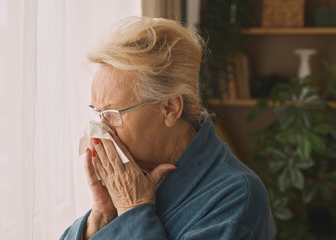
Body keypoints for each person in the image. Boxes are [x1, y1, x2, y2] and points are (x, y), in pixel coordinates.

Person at [60, 16, 274, 240]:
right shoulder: (132, 179)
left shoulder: (237, 196)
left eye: (113, 115)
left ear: (170, 108)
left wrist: (133, 211)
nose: (102, 130)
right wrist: (102, 216)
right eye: (98, 113)